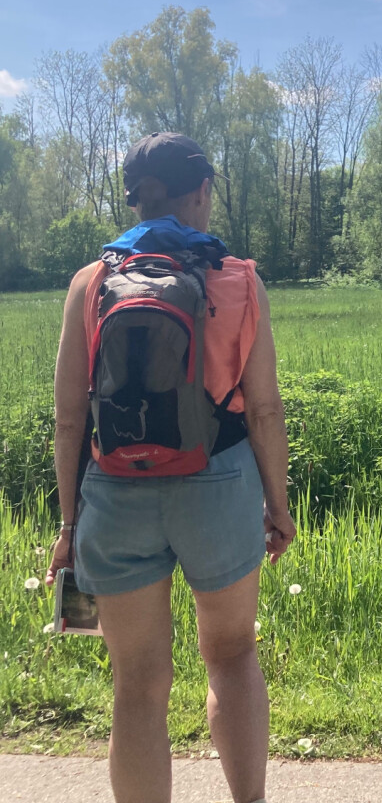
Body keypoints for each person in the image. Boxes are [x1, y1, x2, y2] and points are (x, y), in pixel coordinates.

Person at [44, 132, 295, 803]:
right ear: (202, 191)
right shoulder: (237, 279)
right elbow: (264, 410)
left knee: (137, 683)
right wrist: (278, 507)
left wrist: (69, 525)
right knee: (233, 655)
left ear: (135, 198)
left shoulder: (91, 283)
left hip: (115, 490)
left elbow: (69, 420)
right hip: (219, 483)